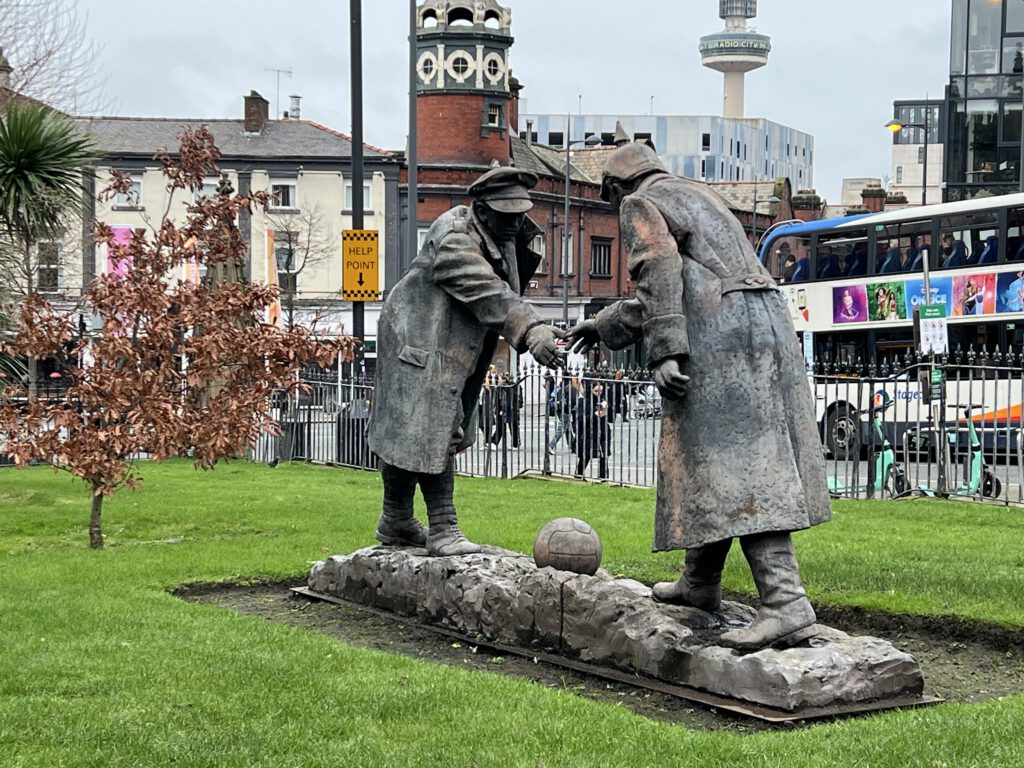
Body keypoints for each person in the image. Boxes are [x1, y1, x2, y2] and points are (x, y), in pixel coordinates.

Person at [566, 143, 830, 650]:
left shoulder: (640, 201)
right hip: (761, 324)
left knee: (739, 462)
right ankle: (699, 582)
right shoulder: (697, 194)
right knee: (708, 456)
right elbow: (686, 287)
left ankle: (786, 601)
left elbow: (659, 273)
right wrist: (603, 325)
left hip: (718, 338)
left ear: (618, 187)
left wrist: (666, 352)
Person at [367, 167, 562, 556]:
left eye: (521, 212)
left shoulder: (506, 232)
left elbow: (510, 278)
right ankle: (443, 528)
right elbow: (487, 290)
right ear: (481, 209)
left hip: (454, 343)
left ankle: (396, 519)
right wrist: (530, 328)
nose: (516, 221)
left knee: (420, 429)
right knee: (432, 427)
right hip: (417, 338)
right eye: (506, 213)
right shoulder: (453, 236)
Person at [574, 378, 610, 480]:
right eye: (596, 391)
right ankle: (579, 474)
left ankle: (603, 477)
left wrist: (606, 408)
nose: (599, 393)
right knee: (586, 455)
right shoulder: (585, 401)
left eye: (601, 391)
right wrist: (595, 415)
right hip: (589, 431)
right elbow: (580, 419)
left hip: (603, 430)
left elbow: (611, 417)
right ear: (591, 389)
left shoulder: (604, 400)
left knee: (604, 455)